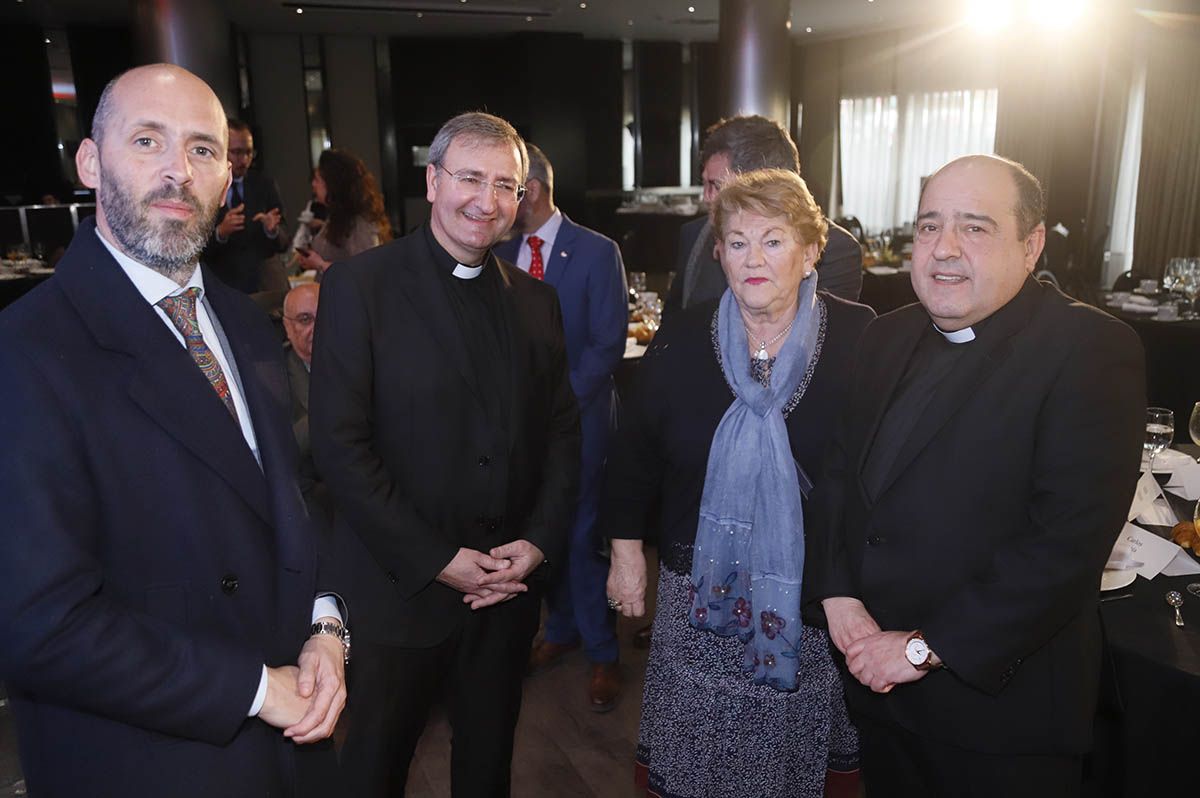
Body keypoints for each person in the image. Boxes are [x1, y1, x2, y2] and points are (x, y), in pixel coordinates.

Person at [0, 64, 347, 797]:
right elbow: (39, 625)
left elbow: (290, 504)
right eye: (148, 140)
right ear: (90, 162)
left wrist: (325, 629)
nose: (176, 172)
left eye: (201, 150)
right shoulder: (26, 351)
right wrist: (255, 689)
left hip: (286, 747)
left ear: (228, 177)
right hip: (145, 757)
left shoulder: (249, 323)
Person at [806, 155, 1146, 798]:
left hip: (1000, 718)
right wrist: (838, 593)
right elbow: (838, 474)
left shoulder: (1089, 349)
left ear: (1031, 244)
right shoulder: (885, 336)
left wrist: (920, 649)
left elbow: (1064, 546)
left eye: (976, 228)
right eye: (929, 227)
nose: (945, 250)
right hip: (879, 696)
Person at [310, 111, 580, 797]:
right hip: (400, 594)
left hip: (505, 597)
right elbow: (339, 449)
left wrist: (540, 544)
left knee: (487, 770)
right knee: (374, 771)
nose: (485, 201)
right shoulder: (357, 288)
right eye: (469, 178)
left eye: (505, 185)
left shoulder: (538, 303)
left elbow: (562, 434)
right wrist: (437, 560)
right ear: (432, 182)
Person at [603, 168, 874, 798]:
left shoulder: (863, 338)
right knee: (700, 759)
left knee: (786, 762)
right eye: (738, 241)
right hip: (696, 596)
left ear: (811, 253)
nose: (754, 258)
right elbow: (635, 451)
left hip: (810, 597)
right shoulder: (683, 332)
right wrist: (624, 556)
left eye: (774, 240)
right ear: (718, 251)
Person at [493, 144, 629, 711]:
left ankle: (603, 654)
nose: (497, 203)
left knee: (581, 535)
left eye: (508, 189)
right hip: (515, 430)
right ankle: (562, 630)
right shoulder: (498, 251)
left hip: (582, 421)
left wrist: (551, 407)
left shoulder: (597, 252)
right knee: (541, 533)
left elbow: (607, 345)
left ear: (536, 191)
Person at [665, 114, 863, 314]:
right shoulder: (695, 234)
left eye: (715, 186)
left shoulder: (837, 250)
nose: (706, 198)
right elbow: (671, 330)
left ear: (762, 185)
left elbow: (821, 336)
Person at [203, 117, 289, 293]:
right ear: (221, 150)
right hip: (223, 287)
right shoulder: (205, 186)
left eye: (249, 152)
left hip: (265, 287)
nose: (244, 160)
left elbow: (285, 240)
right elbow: (193, 247)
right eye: (236, 152)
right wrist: (220, 233)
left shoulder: (264, 184)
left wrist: (272, 230)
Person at [295, 148, 391, 275]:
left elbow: (365, 270)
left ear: (332, 184)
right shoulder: (336, 218)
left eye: (317, 180)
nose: (313, 184)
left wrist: (321, 264)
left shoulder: (359, 222)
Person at [282, 282, 328, 522]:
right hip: (319, 499)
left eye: (325, 316)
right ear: (287, 327)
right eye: (305, 319)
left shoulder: (362, 356)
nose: (317, 327)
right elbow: (286, 448)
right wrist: (331, 404)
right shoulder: (273, 378)